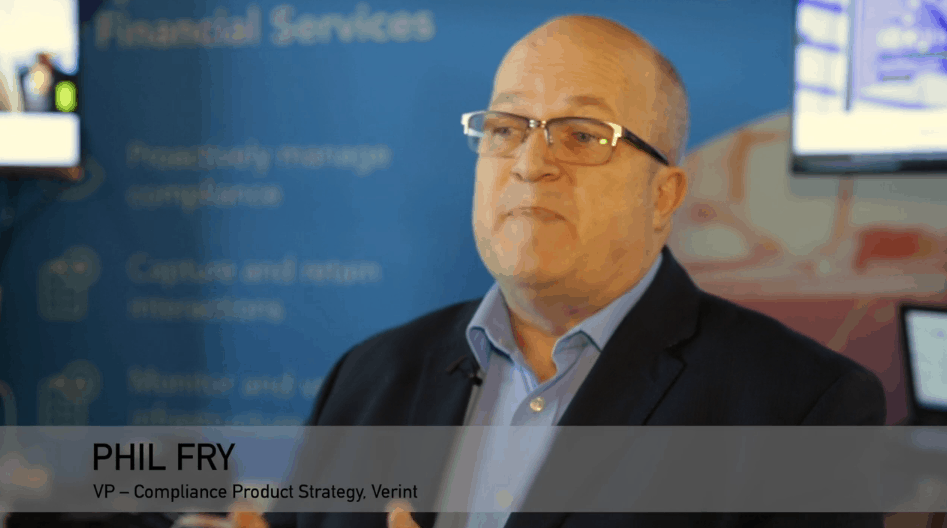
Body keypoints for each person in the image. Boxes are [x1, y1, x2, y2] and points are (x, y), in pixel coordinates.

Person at [183, 13, 887, 528]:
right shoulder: (368, 376)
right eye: (505, 129)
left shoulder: (803, 409)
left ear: (663, 196)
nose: (529, 163)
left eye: (581, 135)